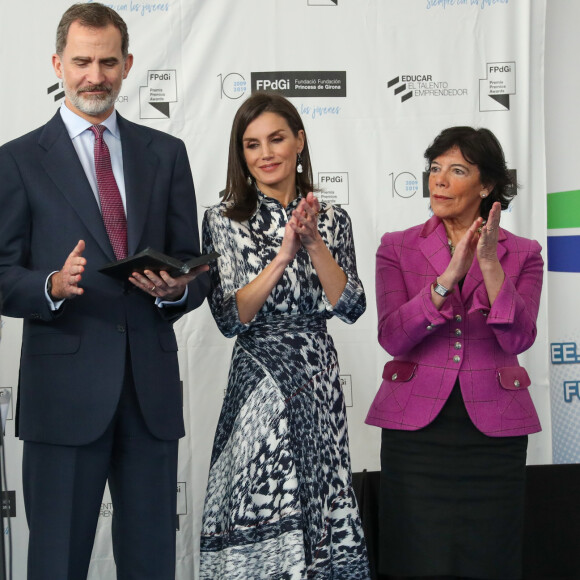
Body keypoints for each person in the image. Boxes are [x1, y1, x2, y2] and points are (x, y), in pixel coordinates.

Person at [0, 4, 209, 579]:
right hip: (63, 398)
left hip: (150, 396)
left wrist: (173, 290)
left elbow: (195, 266)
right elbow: (0, 272)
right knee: (57, 562)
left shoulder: (165, 153)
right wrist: (50, 284)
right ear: (58, 64)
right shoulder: (16, 161)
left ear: (128, 64)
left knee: (150, 564)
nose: (96, 75)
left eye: (108, 61)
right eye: (83, 61)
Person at [199, 92, 370, 579]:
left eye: (276, 139)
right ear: (242, 155)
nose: (266, 153)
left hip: (317, 376)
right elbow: (230, 317)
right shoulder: (223, 220)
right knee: (260, 498)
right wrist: (281, 255)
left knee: (321, 495)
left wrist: (314, 244)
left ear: (299, 141)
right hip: (261, 380)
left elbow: (352, 306)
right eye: (252, 145)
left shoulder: (333, 219)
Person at [366, 126, 543, 580]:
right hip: (417, 433)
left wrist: (489, 265)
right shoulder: (396, 246)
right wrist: (446, 280)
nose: (439, 180)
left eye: (457, 170)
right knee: (414, 554)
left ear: (486, 186)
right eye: (435, 168)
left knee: (491, 555)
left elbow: (519, 338)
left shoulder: (523, 254)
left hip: (494, 431)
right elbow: (393, 336)